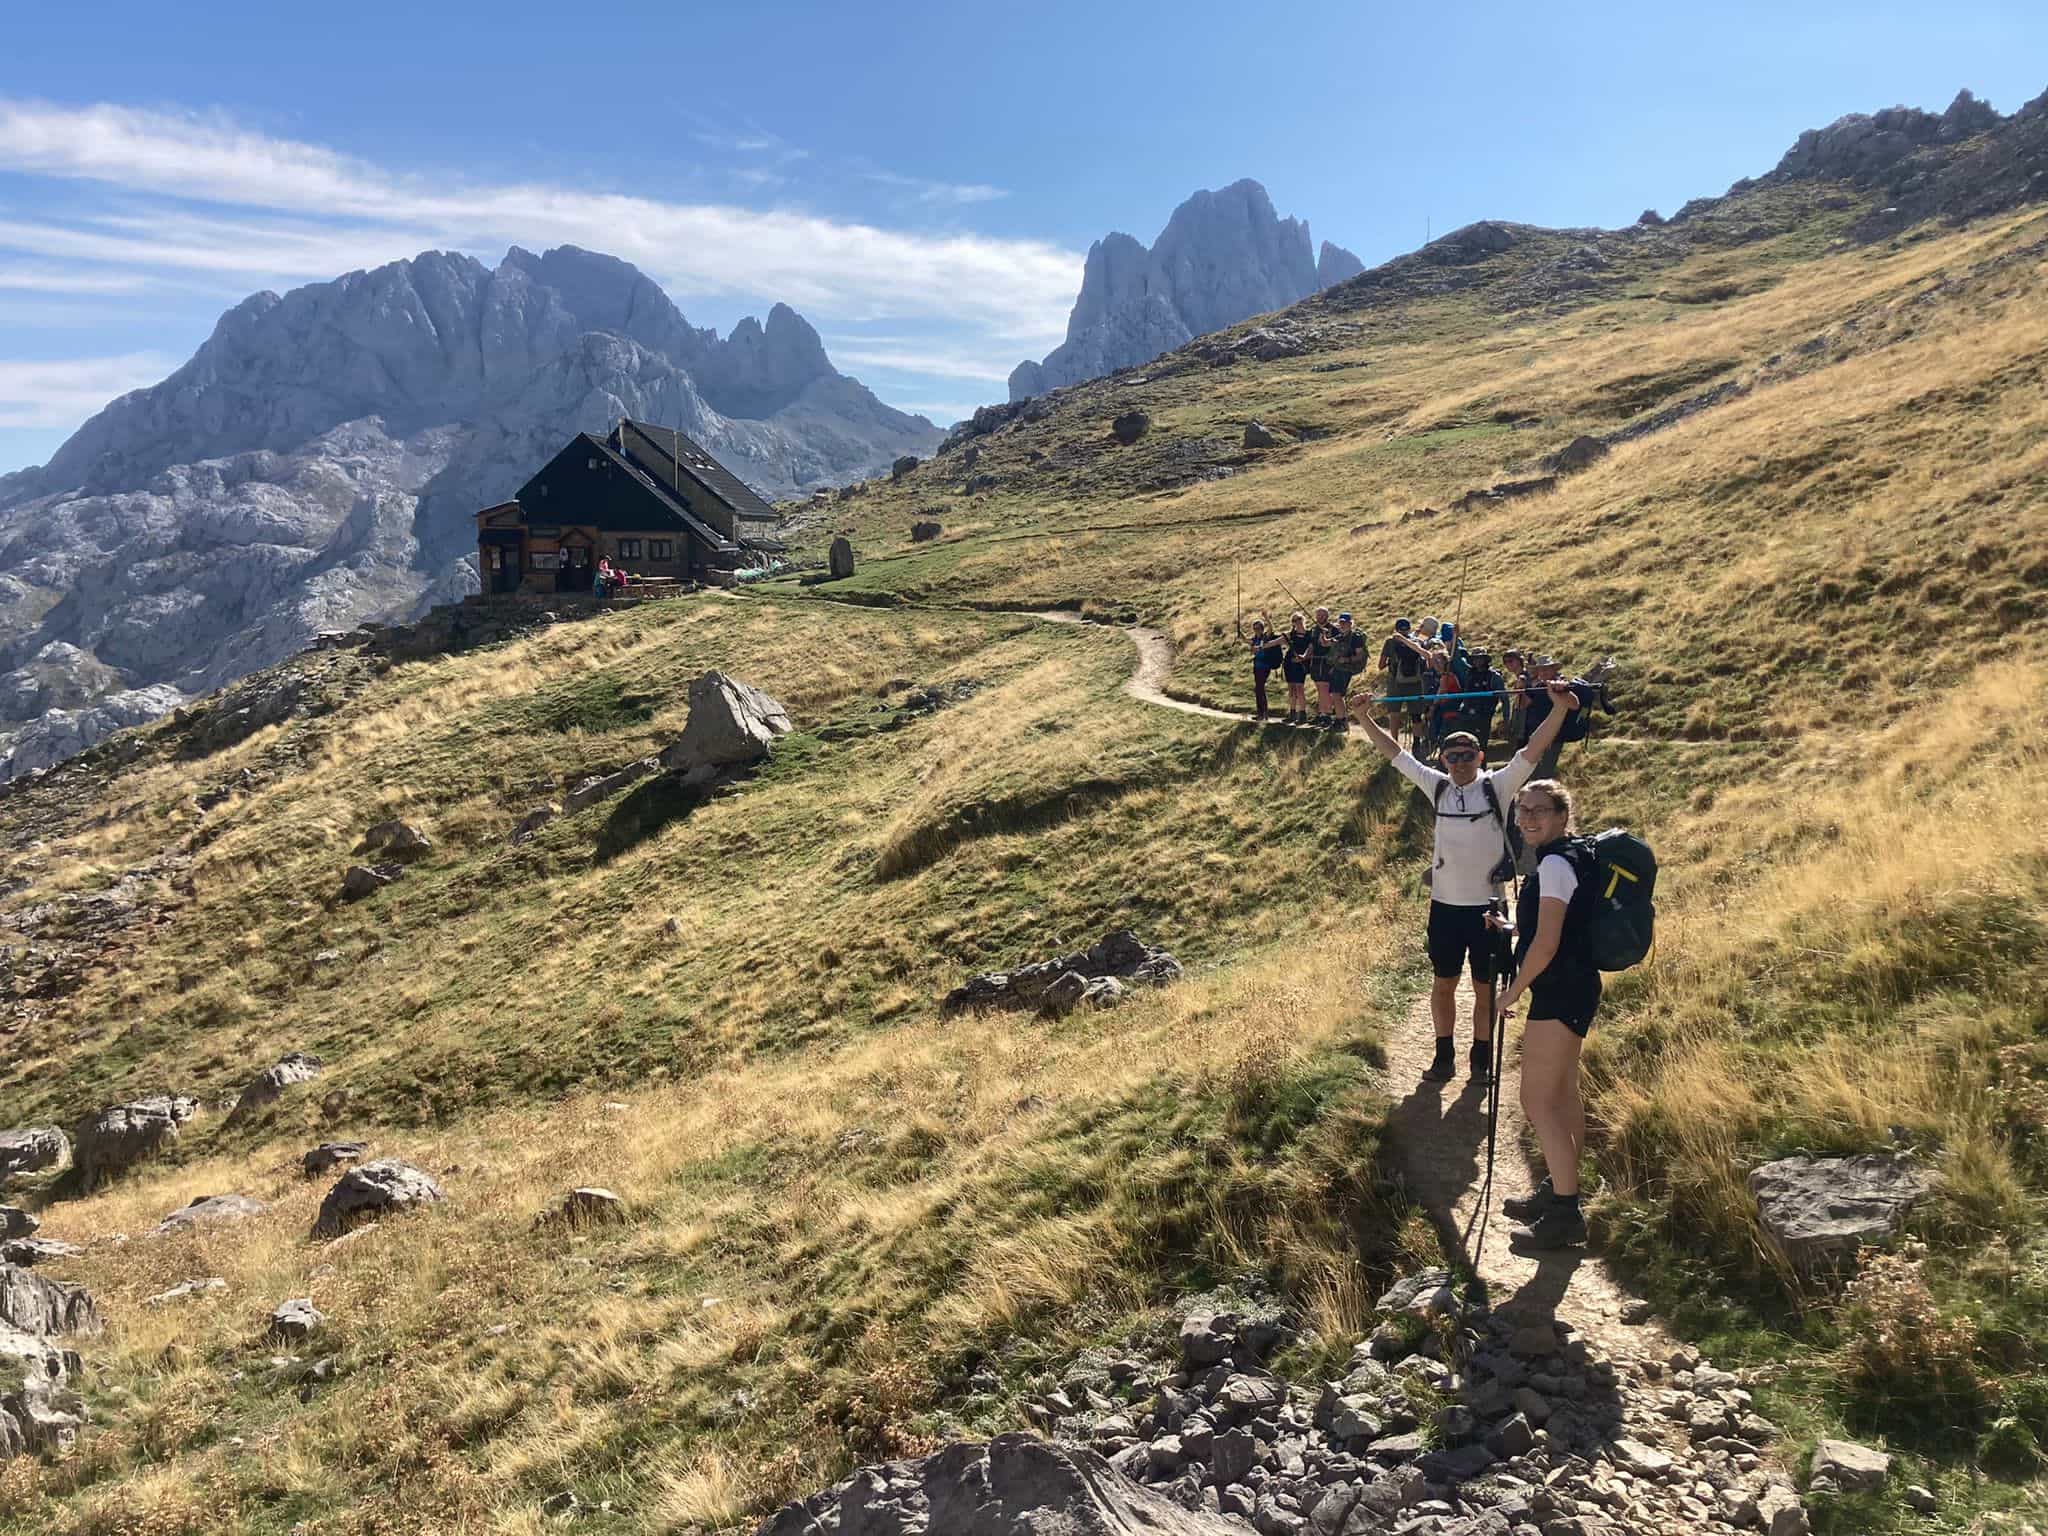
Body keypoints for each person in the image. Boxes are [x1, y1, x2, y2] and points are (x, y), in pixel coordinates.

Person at [1357, 681, 1582, 1084]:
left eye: (1467, 756)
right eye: (1452, 756)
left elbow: (1532, 750)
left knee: (1483, 989)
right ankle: (1443, 1058)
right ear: (1443, 760)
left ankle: (1480, 1060)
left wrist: (1560, 710)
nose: (1459, 763)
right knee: (1443, 984)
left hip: (1488, 910)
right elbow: (1395, 754)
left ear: (1480, 757)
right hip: (1444, 906)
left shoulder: (1497, 786)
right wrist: (1362, 717)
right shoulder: (1437, 786)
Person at [1494, 777, 1600, 1248]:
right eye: (1522, 811)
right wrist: (1516, 926)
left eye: (1539, 810)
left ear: (1562, 815)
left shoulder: (1556, 864)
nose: (1529, 818)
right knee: (1562, 1095)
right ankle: (1561, 1187)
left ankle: (1564, 1213)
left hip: (1557, 990)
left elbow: (1549, 943)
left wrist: (1512, 992)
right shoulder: (1574, 855)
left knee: (1537, 1102)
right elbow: (1558, 926)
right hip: (1576, 985)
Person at [1378, 618, 1430, 749]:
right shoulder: (1417, 641)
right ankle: (1416, 744)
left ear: (1396, 629)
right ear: (1409, 629)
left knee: (1394, 714)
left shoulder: (1390, 642)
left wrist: (1391, 663)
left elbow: (1380, 665)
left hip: (1395, 682)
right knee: (1416, 715)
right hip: (1416, 682)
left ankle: (1394, 744)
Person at [1238, 613, 1285, 719]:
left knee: (1259, 688)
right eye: (1254, 628)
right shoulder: (1254, 639)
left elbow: (1271, 628)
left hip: (1265, 666)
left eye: (1258, 628)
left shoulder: (1266, 637)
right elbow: (1245, 640)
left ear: (1262, 628)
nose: (1256, 630)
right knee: (1259, 689)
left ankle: (1262, 713)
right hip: (1257, 667)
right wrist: (1239, 630)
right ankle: (1263, 713)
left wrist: (1267, 618)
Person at [1328, 612, 1367, 729]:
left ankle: (1341, 721)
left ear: (1350, 623)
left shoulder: (1355, 637)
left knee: (1336, 694)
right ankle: (1342, 720)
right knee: (1336, 695)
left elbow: (1359, 655)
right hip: (1338, 669)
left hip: (1346, 670)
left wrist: (1346, 659)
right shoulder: (1339, 637)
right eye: (1341, 622)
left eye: (1345, 623)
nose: (1342, 625)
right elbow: (1328, 644)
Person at [1281, 613, 1314, 723]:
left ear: (1303, 619)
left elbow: (1310, 648)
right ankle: (1292, 713)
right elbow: (1277, 641)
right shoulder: (1291, 634)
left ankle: (1302, 714)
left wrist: (1303, 657)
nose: (1297, 622)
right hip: (1289, 663)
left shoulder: (1310, 634)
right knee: (1291, 688)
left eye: (1299, 619)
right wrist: (1263, 646)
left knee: (1299, 688)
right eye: (1294, 620)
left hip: (1301, 664)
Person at [1307, 607, 1337, 726]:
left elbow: (1334, 646)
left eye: (1322, 615)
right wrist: (1304, 656)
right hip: (1315, 661)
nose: (1319, 617)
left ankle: (1328, 715)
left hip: (1326, 661)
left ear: (1327, 616)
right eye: (1318, 615)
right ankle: (1321, 714)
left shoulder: (1333, 629)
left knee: (1325, 688)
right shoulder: (1314, 629)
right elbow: (1311, 646)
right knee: (1319, 689)